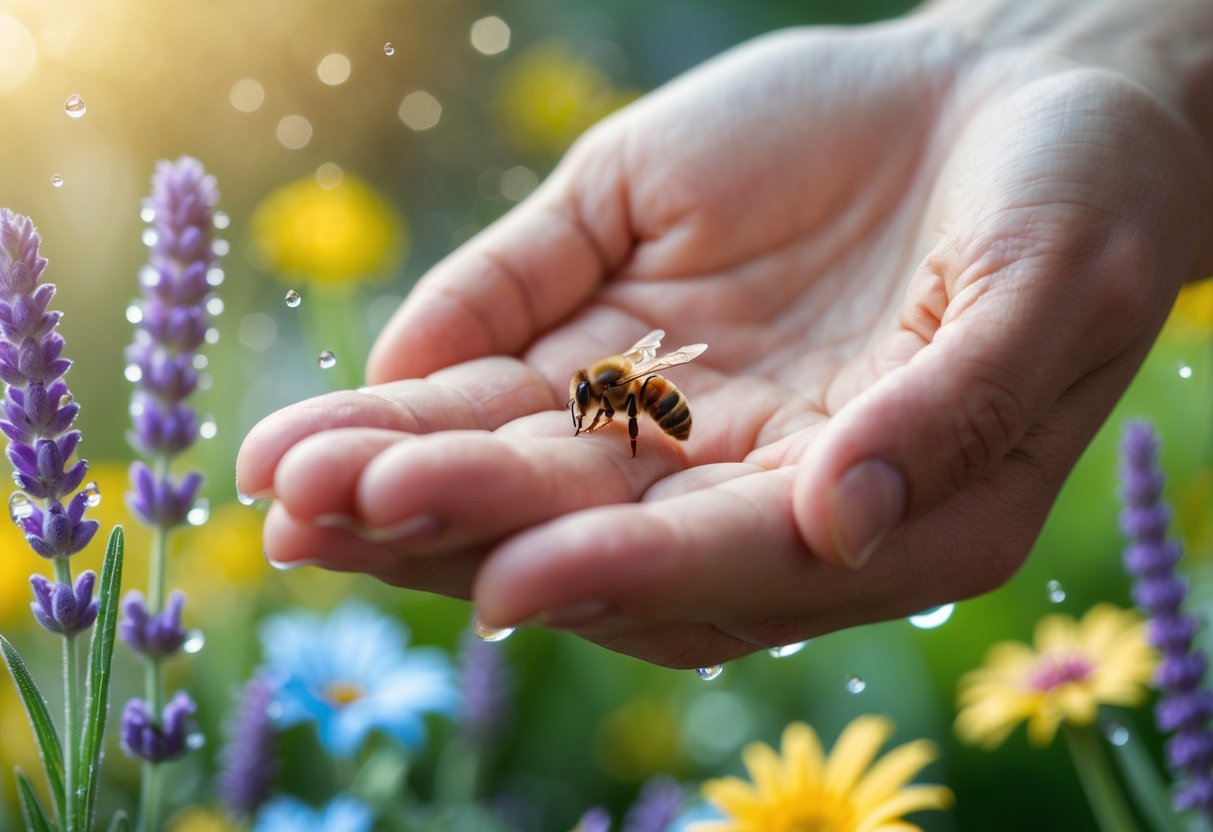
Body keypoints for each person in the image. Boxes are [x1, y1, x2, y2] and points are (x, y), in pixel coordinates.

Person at [236, 0, 1213, 668]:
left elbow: (636, 400)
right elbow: (629, 395)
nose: (594, 406)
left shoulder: (622, 392)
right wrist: (1017, 43)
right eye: (595, 404)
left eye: (593, 399)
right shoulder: (615, 387)